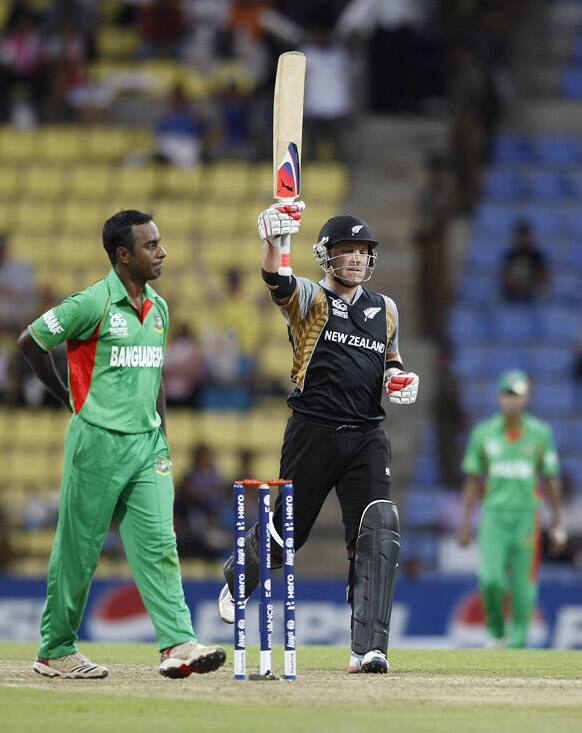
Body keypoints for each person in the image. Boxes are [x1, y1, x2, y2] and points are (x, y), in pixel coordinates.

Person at [17, 210, 225, 679]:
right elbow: (30, 340)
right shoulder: (91, 303)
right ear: (123, 255)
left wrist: (164, 440)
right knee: (79, 550)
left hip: (147, 446)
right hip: (97, 443)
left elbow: (156, 381)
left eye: (160, 242)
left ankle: (177, 644)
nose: (162, 252)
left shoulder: (160, 308)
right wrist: (66, 397)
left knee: (160, 545)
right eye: (151, 245)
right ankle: (55, 649)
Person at [218, 202, 420, 674]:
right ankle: (238, 576)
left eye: (362, 251)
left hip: (367, 434)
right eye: (345, 250)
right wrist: (274, 241)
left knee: (379, 531)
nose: (354, 259)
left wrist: (401, 379)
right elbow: (278, 281)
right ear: (327, 256)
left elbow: (389, 361)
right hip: (313, 428)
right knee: (288, 535)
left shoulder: (385, 309)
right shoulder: (310, 299)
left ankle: (368, 650)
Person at [457, 370, 567, 648]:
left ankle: (515, 647)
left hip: (526, 518)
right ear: (499, 397)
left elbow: (551, 480)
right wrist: (465, 523)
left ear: (526, 399)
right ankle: (495, 632)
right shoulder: (483, 434)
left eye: (516, 395)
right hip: (493, 517)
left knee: (523, 589)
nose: (511, 401)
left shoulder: (540, 434)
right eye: (507, 394)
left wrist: (557, 523)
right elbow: (472, 480)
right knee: (490, 579)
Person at [500, 219, 549, 303]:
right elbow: (503, 276)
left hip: (532, 296)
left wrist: (531, 286)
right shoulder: (510, 255)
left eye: (525, 236)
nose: (522, 239)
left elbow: (544, 276)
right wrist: (514, 285)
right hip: (512, 295)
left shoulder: (536, 255)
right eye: (520, 236)